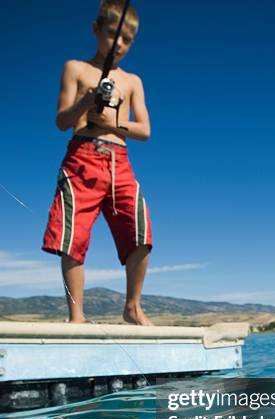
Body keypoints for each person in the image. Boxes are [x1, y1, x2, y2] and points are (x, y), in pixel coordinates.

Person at [42, 0, 153, 325]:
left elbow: (144, 130)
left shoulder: (133, 80)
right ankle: (76, 316)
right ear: (96, 30)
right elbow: (62, 121)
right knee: (72, 235)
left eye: (127, 39)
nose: (118, 44)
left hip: (120, 161)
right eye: (112, 34)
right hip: (81, 160)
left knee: (139, 231)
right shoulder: (75, 68)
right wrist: (87, 101)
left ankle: (132, 307)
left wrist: (111, 124)